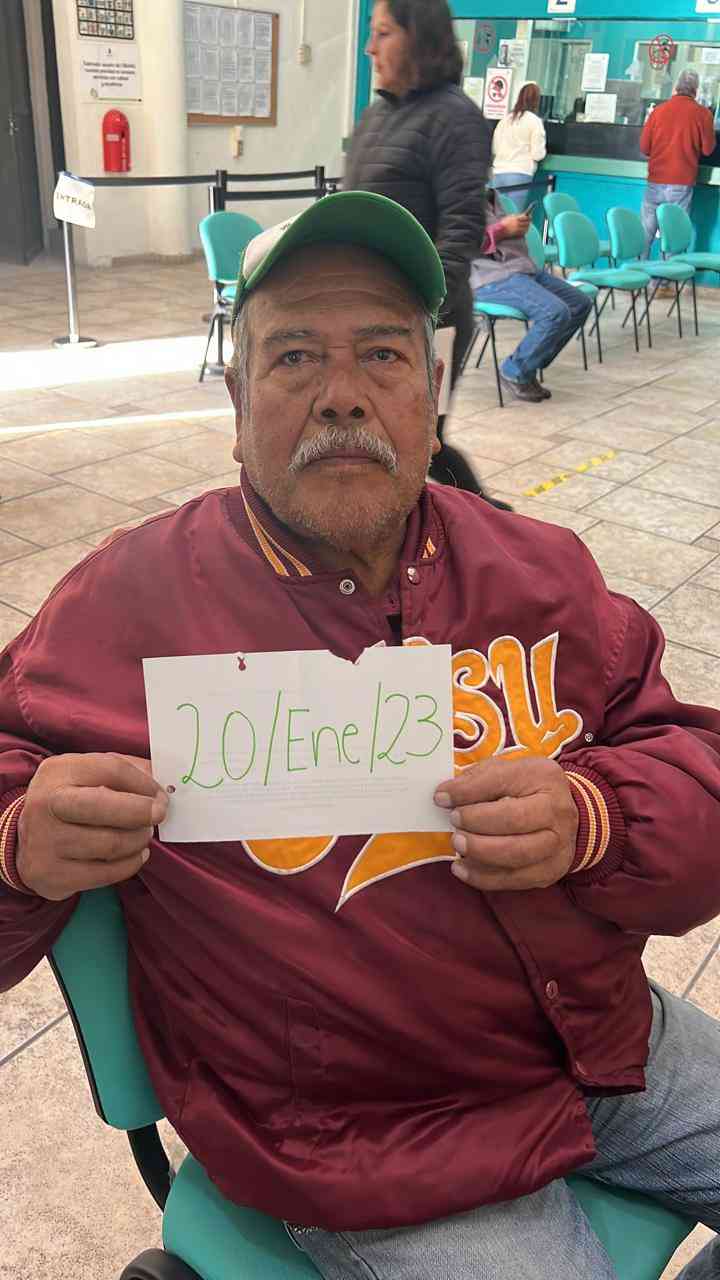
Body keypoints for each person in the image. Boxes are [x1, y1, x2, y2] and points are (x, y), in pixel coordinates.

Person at [2, 191, 720, 1280]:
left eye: (381, 355)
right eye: (294, 356)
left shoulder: (540, 572)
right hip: (371, 1134)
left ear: (432, 390)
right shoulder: (127, 603)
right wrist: (19, 844)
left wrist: (596, 818)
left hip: (600, 1039)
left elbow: (693, 775)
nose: (342, 394)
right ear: (236, 399)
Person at [345, 0, 497, 500]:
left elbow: (461, 230)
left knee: (423, 444)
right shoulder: (376, 116)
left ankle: (489, 521)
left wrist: (417, 313)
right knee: (372, 436)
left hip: (431, 320)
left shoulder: (456, 118)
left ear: (420, 40)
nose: (370, 48)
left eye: (384, 33)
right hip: (365, 316)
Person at [471, 188, 592, 402]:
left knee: (579, 303)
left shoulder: (493, 197)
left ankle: (530, 363)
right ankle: (514, 371)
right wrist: (502, 229)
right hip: (488, 277)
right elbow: (456, 245)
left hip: (521, 269)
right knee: (555, 313)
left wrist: (517, 227)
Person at [639, 67, 715, 260]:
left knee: (645, 233)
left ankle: (636, 271)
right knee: (673, 235)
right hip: (681, 182)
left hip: (655, 180)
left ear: (676, 87)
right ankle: (666, 275)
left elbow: (644, 147)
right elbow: (708, 149)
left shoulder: (658, 111)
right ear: (696, 90)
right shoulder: (703, 114)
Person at [491, 81, 547, 211]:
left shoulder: (505, 120)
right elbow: (537, 154)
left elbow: (495, 148)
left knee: (496, 217)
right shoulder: (535, 121)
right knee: (513, 217)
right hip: (520, 174)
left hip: (498, 173)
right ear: (536, 100)